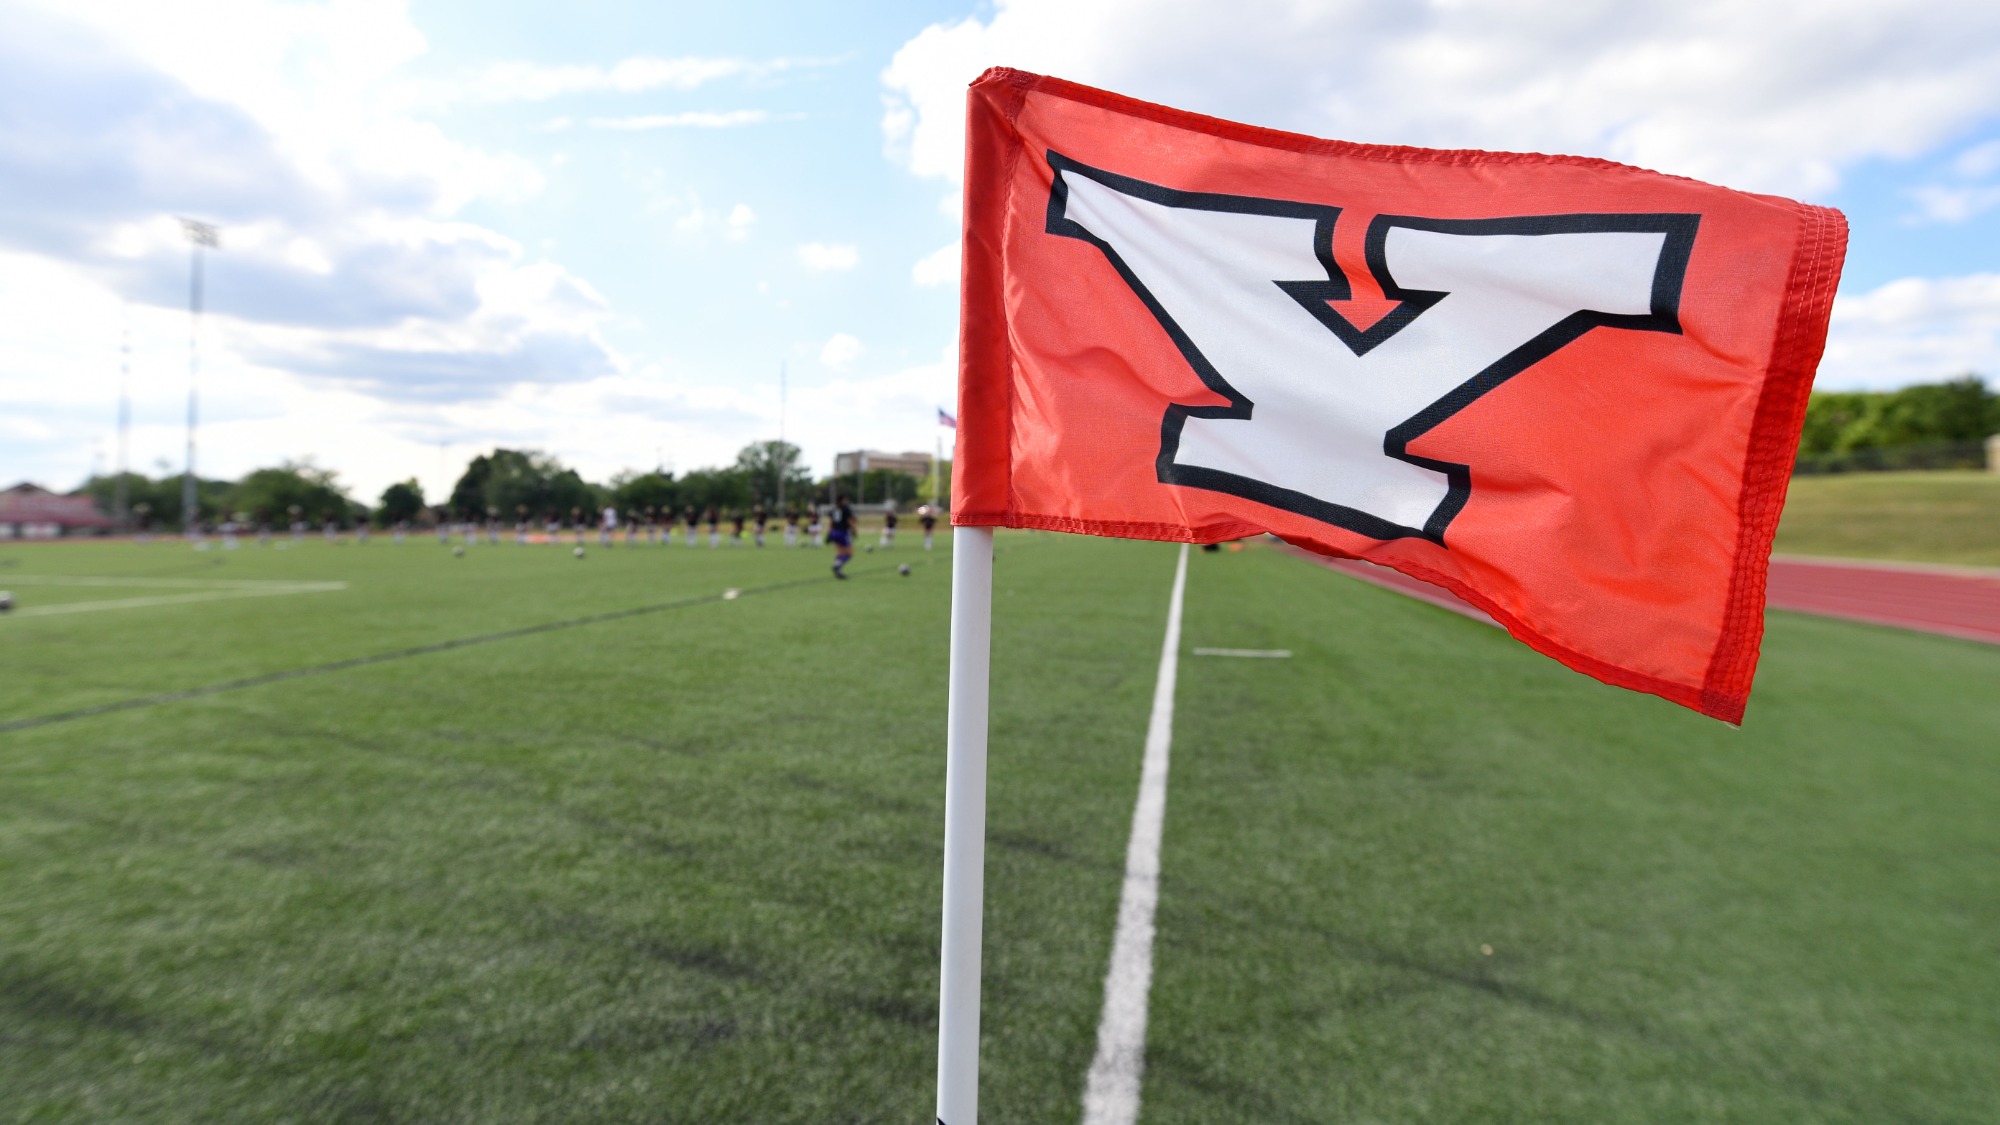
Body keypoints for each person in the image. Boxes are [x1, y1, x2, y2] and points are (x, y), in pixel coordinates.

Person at [828, 493, 856, 579]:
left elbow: (831, 522)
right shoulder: (845, 509)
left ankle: (839, 572)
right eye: (845, 499)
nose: (847, 501)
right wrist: (853, 528)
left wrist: (830, 532)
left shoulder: (834, 509)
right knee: (849, 553)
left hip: (834, 532)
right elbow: (849, 520)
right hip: (843, 532)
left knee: (840, 552)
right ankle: (837, 565)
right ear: (842, 500)